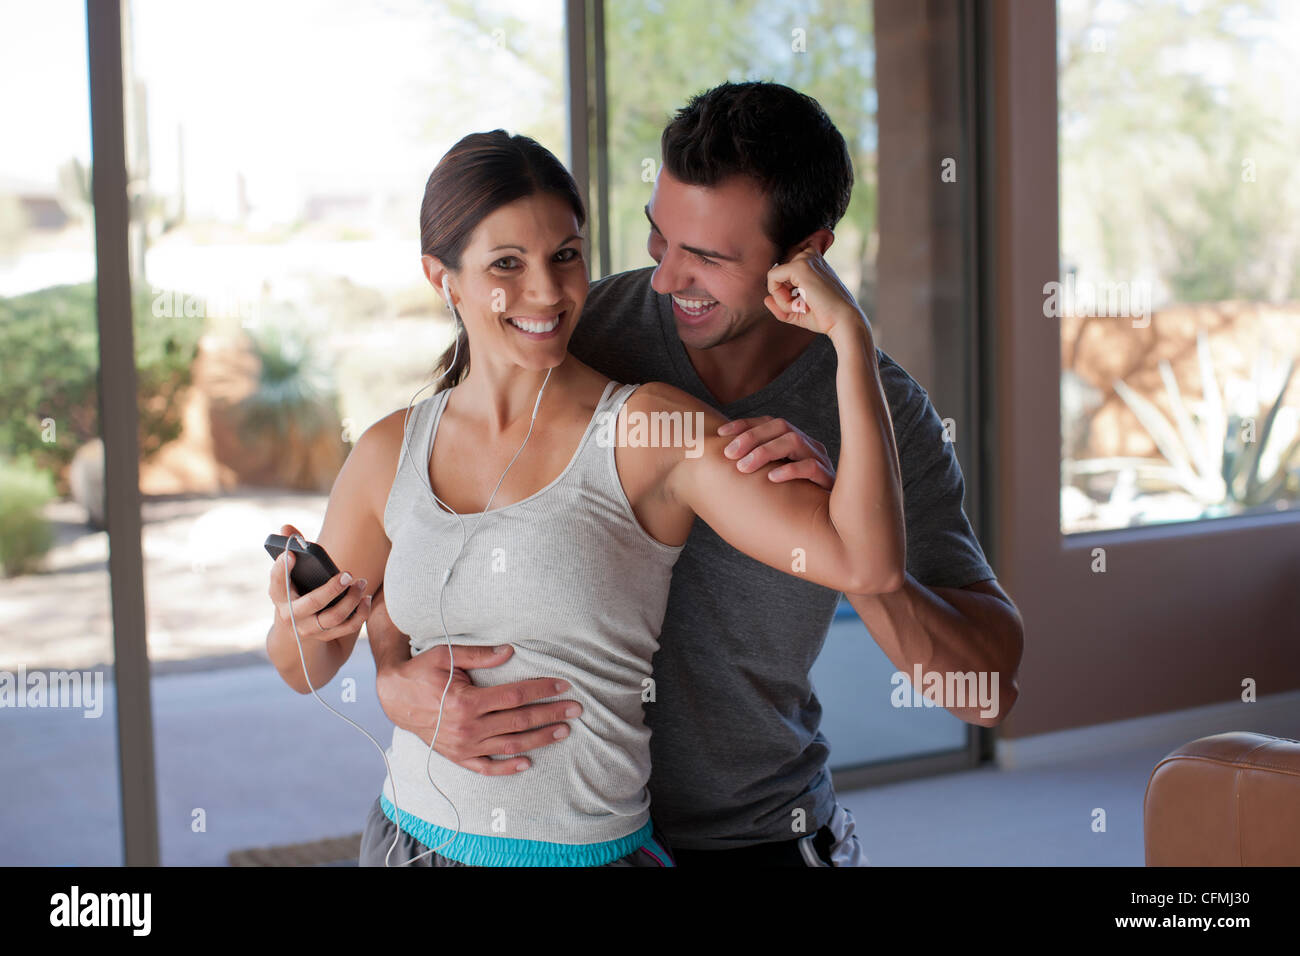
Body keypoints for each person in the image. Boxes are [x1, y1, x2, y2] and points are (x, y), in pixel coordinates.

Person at [266, 120, 907, 866]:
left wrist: (850, 342)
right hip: (406, 842)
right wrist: (300, 620)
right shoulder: (388, 451)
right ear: (442, 279)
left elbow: (868, 565)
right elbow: (302, 669)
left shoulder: (648, 430)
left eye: (565, 255)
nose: (545, 290)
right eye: (507, 262)